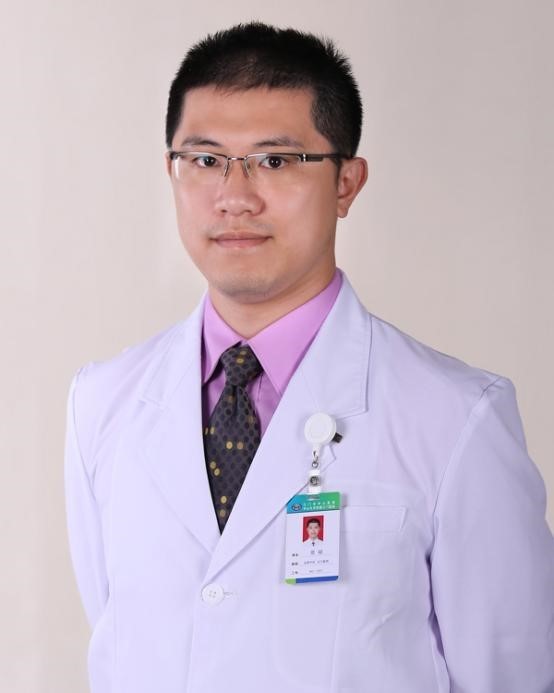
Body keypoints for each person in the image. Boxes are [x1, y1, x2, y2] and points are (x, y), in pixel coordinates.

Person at [64, 21, 554, 693]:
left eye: (276, 161)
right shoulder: (102, 402)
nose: (234, 196)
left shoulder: (456, 417)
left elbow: (514, 674)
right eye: (204, 160)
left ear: (347, 183)